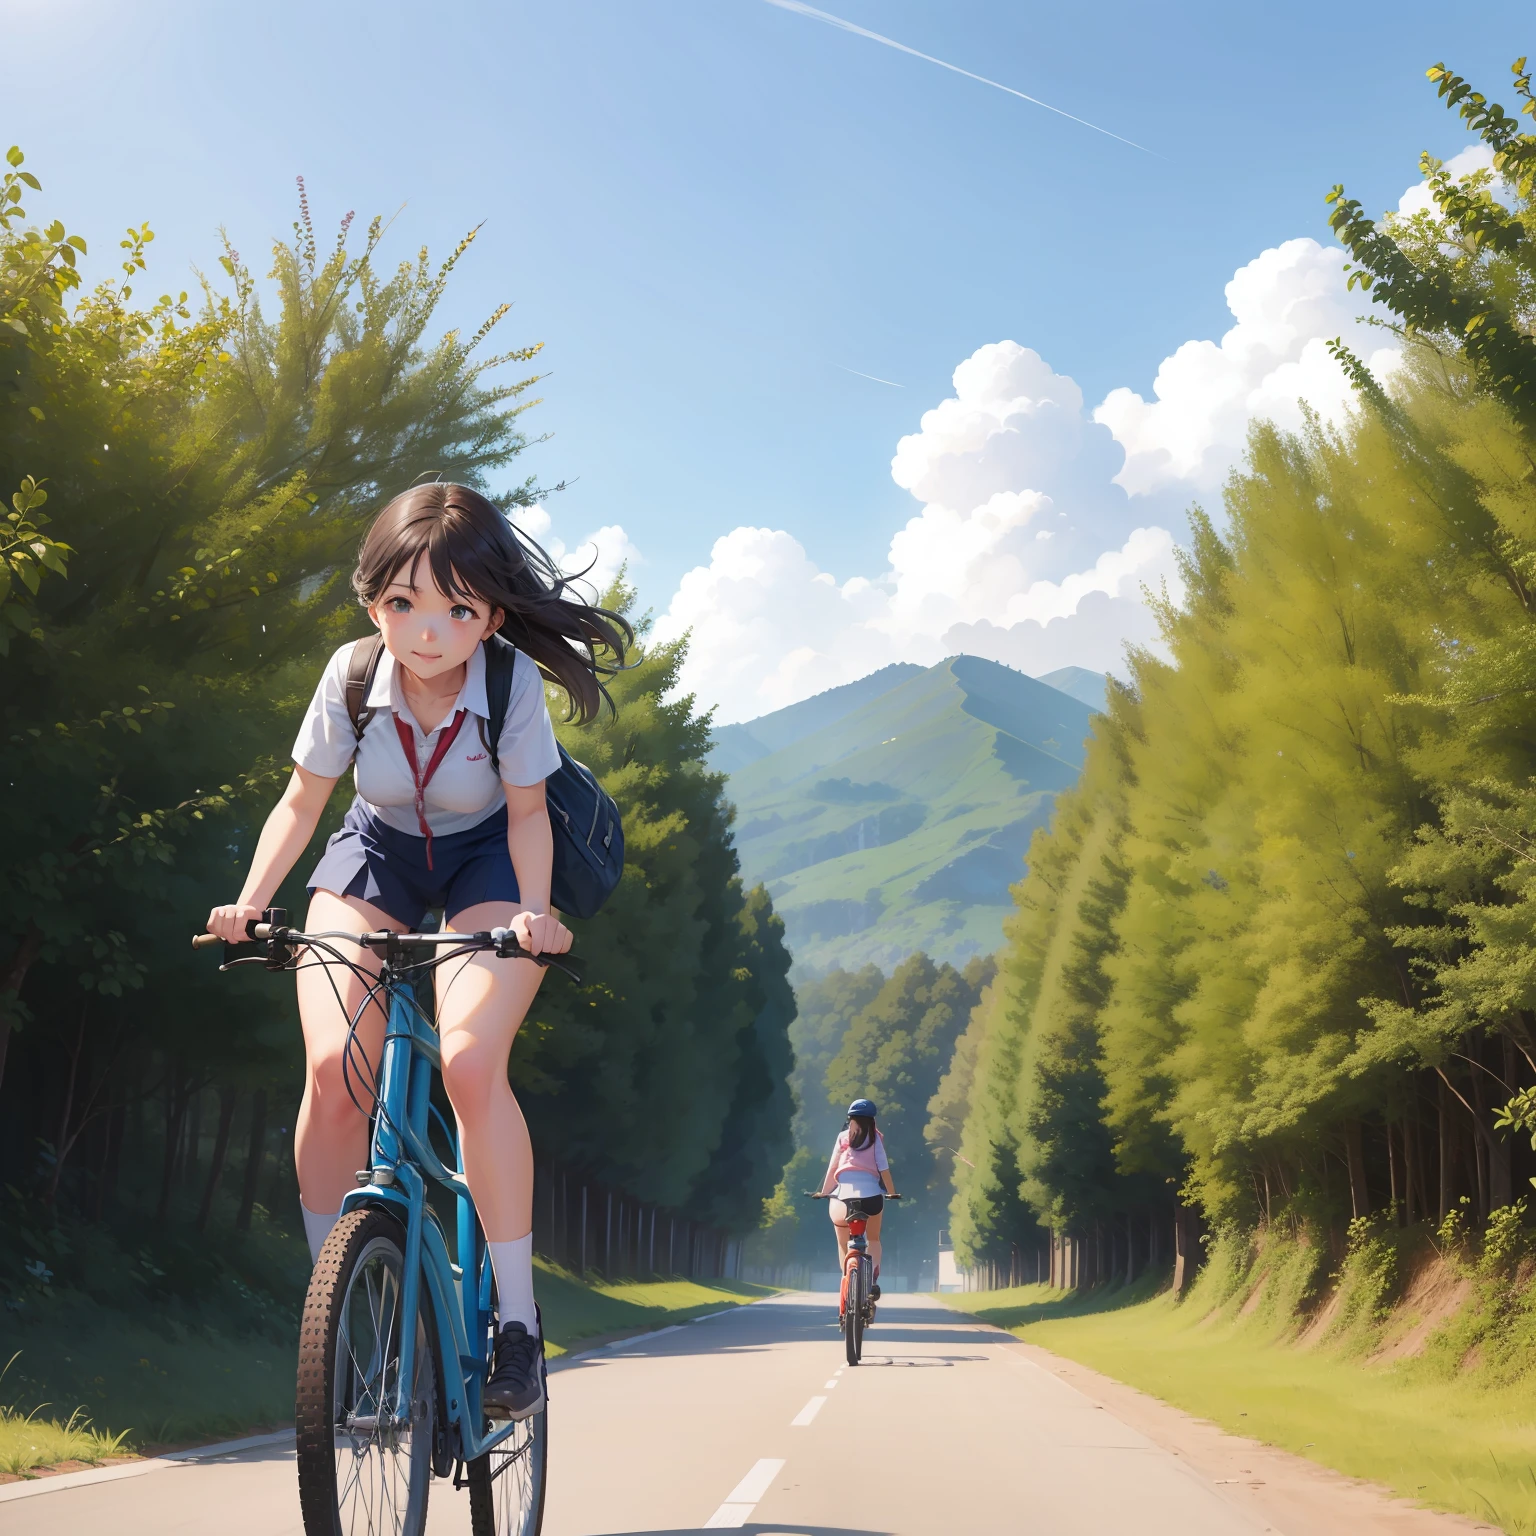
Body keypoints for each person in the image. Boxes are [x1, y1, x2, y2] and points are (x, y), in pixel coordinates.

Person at [205, 482, 629, 1420]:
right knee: (333, 1068)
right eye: (402, 604)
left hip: (489, 860)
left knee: (473, 1066)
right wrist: (250, 903)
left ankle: (516, 1324)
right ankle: (340, 1318)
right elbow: (304, 801)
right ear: (371, 603)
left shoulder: (513, 685)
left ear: (490, 616)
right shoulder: (352, 674)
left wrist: (531, 914)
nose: (426, 632)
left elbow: (527, 815)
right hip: (375, 854)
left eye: (455, 609)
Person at [819, 1097, 897, 1301]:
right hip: (871, 1198)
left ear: (850, 1119)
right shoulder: (875, 1139)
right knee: (873, 1239)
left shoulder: (842, 1137)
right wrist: (891, 1191)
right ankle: (871, 1281)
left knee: (842, 1239)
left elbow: (833, 1168)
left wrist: (824, 1192)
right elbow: (883, 1168)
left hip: (842, 1200)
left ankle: (847, 1276)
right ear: (872, 1121)